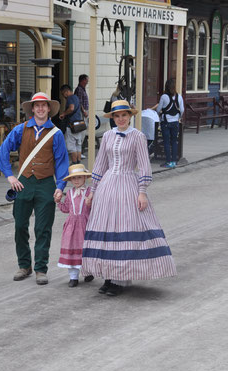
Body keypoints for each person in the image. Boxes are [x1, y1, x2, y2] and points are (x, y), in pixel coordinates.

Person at [81, 100, 177, 297]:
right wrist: (92, 190)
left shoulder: (138, 137)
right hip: (108, 186)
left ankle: (119, 279)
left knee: (124, 227)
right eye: (117, 116)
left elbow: (144, 166)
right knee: (106, 229)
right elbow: (100, 165)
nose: (120, 119)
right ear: (113, 118)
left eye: (124, 115)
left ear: (130, 116)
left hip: (127, 185)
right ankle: (108, 275)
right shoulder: (107, 135)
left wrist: (142, 191)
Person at [0, 92, 70, 285]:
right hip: (23, 183)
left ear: (48, 109)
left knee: (43, 228)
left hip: (46, 183)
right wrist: (10, 176)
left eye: (43, 106)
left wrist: (60, 186)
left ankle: (40, 269)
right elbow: (2, 152)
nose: (40, 109)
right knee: (20, 225)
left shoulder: (56, 134)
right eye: (37, 106)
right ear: (32, 109)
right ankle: (24, 265)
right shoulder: (20, 130)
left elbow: (62, 163)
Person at [55, 164, 94, 288]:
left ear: (84, 178)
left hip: (85, 225)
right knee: (71, 249)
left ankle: (87, 271)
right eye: (74, 178)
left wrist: (90, 202)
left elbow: (94, 209)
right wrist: (58, 202)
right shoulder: (70, 193)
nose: (76, 180)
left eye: (79, 177)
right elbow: (66, 209)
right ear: (71, 180)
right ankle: (73, 277)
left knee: (85, 248)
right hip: (71, 227)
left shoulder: (89, 192)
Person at [155, 78, 185, 168]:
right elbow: (182, 110)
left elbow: (158, 109)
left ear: (166, 86)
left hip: (166, 122)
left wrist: (159, 115)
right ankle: (174, 162)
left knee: (167, 142)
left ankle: (168, 162)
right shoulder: (179, 97)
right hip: (175, 122)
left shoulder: (164, 97)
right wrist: (178, 117)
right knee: (174, 141)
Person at [59, 84, 85, 164]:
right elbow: (80, 107)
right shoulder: (76, 97)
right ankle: (78, 162)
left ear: (66, 92)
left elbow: (71, 108)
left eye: (63, 94)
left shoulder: (70, 98)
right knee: (78, 145)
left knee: (71, 146)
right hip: (79, 125)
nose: (64, 96)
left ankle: (74, 163)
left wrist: (63, 114)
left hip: (71, 125)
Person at [75, 74, 90, 159]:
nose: (88, 81)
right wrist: (84, 111)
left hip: (85, 113)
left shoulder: (82, 89)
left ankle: (79, 151)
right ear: (83, 80)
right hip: (82, 114)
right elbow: (79, 102)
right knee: (81, 133)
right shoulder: (79, 90)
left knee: (83, 133)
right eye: (87, 80)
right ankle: (78, 152)